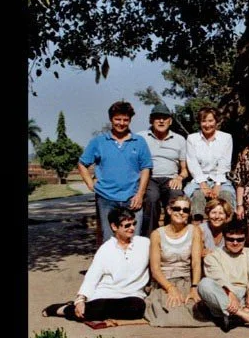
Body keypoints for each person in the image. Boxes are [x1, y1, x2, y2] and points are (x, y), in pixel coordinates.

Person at [41, 207, 149, 322]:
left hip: (132, 296)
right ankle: (65, 309)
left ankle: (87, 309)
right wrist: (80, 300)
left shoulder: (144, 243)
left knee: (137, 308)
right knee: (87, 311)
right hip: (107, 295)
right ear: (114, 227)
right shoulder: (106, 249)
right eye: (127, 225)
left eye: (134, 224)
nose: (132, 228)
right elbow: (92, 276)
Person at [78, 101, 152, 242]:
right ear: (111, 119)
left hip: (132, 198)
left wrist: (140, 194)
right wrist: (91, 184)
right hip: (106, 198)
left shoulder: (139, 141)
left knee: (133, 239)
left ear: (130, 120)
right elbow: (82, 164)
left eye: (125, 120)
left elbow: (146, 168)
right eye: (118, 119)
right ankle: (111, 265)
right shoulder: (99, 141)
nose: (121, 123)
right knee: (109, 239)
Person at [144, 196, 213, 327]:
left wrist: (194, 287)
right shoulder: (157, 234)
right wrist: (170, 288)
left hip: (187, 280)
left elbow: (196, 263)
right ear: (169, 210)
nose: (181, 212)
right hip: (165, 282)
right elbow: (155, 269)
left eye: (185, 210)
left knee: (194, 308)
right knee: (171, 312)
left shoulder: (194, 231)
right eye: (177, 208)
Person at [137, 103, 188, 238]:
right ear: (151, 120)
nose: (161, 121)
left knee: (176, 198)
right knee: (151, 198)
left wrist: (179, 178)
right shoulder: (140, 137)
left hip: (171, 178)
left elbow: (185, 169)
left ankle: (171, 235)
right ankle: (151, 237)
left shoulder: (179, 139)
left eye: (164, 118)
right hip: (150, 177)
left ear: (170, 121)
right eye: (157, 117)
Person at [185, 106, 236, 221]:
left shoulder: (226, 138)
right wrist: (203, 185)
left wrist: (218, 185)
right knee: (196, 195)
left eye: (210, 120)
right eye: (204, 121)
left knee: (226, 195)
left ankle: (228, 227)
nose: (207, 125)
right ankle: (198, 228)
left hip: (220, 178)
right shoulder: (192, 139)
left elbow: (224, 162)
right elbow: (192, 163)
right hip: (199, 179)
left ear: (216, 122)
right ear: (199, 122)